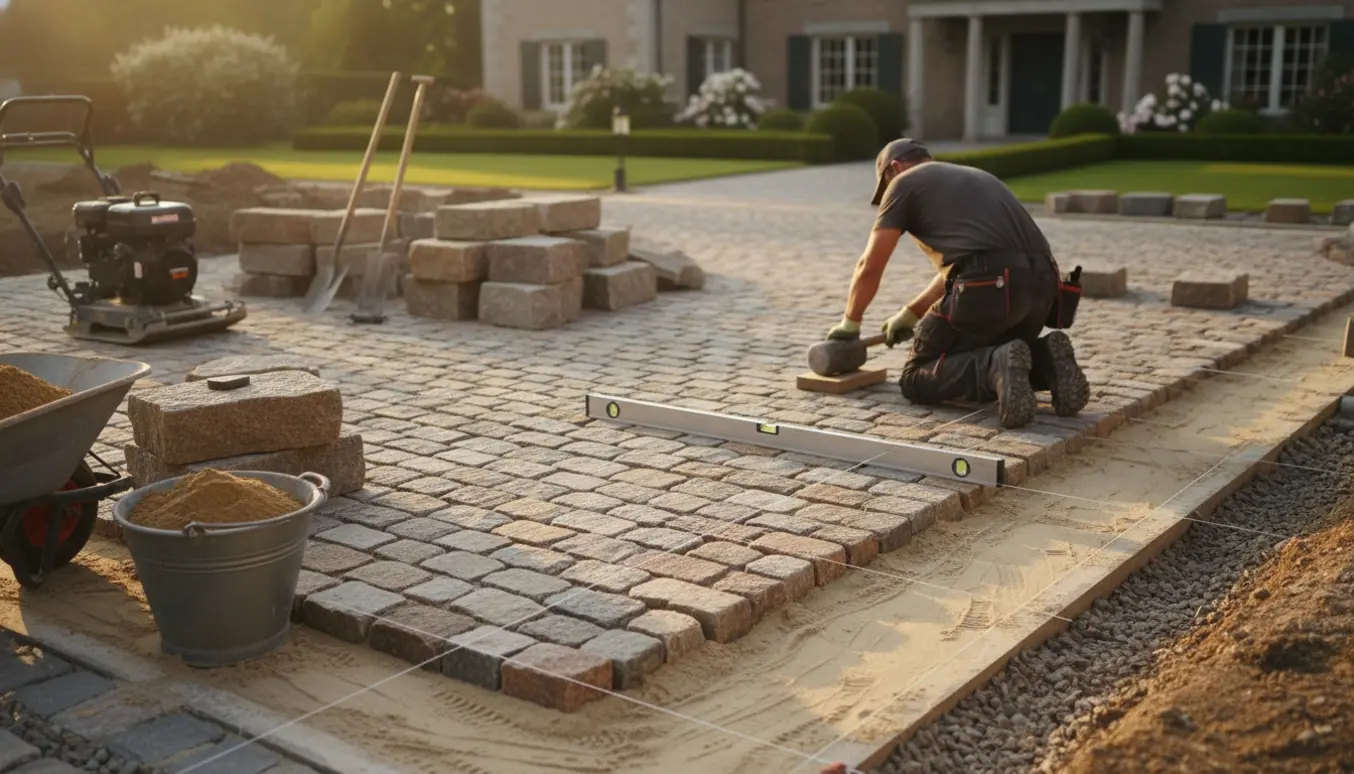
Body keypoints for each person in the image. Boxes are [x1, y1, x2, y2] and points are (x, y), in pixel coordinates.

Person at [825, 138, 1090, 429]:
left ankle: (994, 366)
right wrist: (911, 313)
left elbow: (870, 264)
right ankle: (1048, 361)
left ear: (894, 167)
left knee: (916, 376)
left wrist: (850, 324)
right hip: (1044, 288)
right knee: (996, 348)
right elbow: (968, 262)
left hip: (992, 288)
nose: (886, 194)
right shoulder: (975, 176)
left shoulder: (903, 183)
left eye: (885, 186)